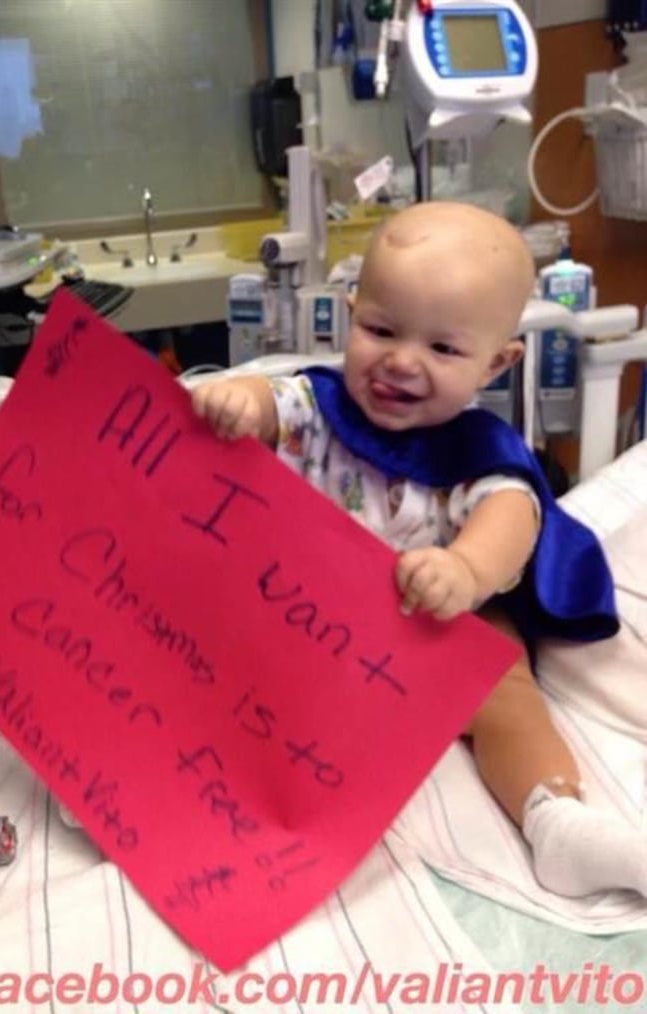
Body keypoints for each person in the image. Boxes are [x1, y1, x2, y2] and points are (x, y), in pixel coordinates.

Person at [192, 201, 647, 900]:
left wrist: (466, 570)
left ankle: (553, 819)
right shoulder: (321, 411)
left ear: (497, 363)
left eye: (443, 349)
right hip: (302, 623)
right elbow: (273, 399)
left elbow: (513, 518)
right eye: (380, 329)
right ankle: (156, 774)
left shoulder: (475, 456)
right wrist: (241, 404)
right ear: (352, 316)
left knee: (503, 682)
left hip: (428, 626)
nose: (402, 361)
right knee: (207, 659)